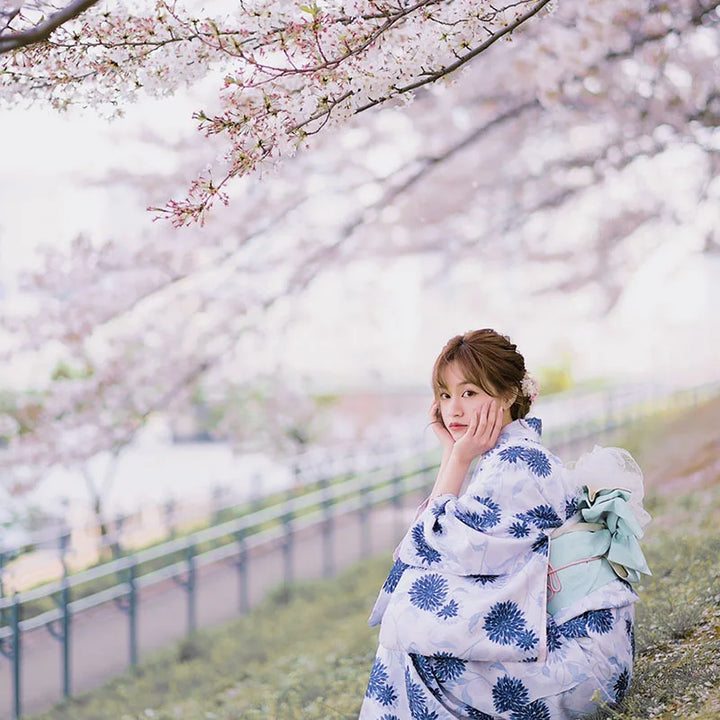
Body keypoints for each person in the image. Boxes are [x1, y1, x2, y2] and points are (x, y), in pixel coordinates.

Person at [359, 329, 651, 720]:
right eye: (445, 396)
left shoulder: (515, 466)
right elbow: (426, 546)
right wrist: (453, 454)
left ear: (510, 394)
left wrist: (457, 459)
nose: (454, 411)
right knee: (410, 629)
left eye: (469, 393)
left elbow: (427, 548)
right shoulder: (507, 455)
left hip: (583, 666)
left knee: (411, 646)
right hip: (583, 650)